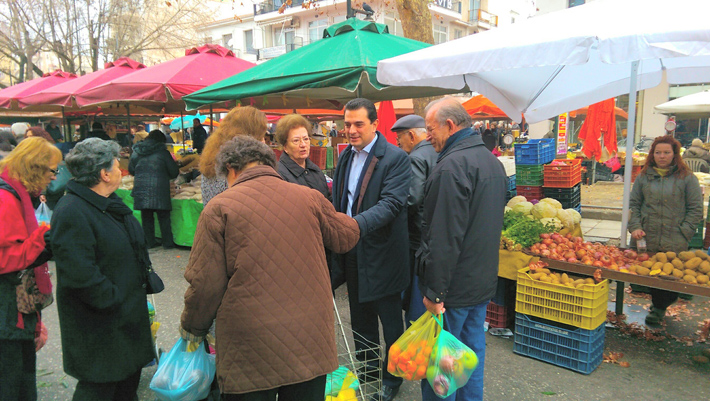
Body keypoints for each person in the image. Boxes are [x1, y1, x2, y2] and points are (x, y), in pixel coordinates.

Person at [180, 136, 359, 400]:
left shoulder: (219, 208)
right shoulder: (309, 197)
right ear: (267, 161)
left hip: (250, 344)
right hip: (310, 337)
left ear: (230, 168)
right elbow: (346, 237)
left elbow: (205, 283)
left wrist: (193, 327)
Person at [50, 138, 154, 400]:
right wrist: (114, 300)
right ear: (104, 174)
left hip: (124, 319)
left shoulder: (108, 204)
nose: (122, 171)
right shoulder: (73, 210)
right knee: (100, 388)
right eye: (118, 166)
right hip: (101, 326)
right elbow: (79, 272)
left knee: (125, 386)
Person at [419, 97, 507, 401]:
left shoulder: (452, 166)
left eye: (431, 129)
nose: (427, 136)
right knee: (470, 359)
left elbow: (444, 238)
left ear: (450, 125)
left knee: (443, 368)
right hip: (480, 284)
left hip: (453, 289)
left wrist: (435, 293)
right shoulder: (492, 162)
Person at [331, 98, 411, 401]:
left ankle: (393, 378)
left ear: (375, 125)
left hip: (384, 255)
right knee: (360, 317)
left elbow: (391, 204)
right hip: (353, 252)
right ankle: (368, 372)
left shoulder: (395, 158)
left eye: (358, 124)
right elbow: (341, 199)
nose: (351, 130)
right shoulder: (345, 157)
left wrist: (353, 226)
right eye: (347, 124)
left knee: (390, 322)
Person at [0, 137, 61, 401]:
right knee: (13, 381)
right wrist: (42, 237)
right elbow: (7, 259)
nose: (53, 177)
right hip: (7, 307)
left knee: (21, 377)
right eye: (51, 170)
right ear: (35, 168)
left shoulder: (15, 194)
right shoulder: (6, 198)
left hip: (16, 306)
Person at [629, 135, 703, 325]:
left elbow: (695, 209)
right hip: (648, 236)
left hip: (674, 237)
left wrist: (684, 231)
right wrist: (635, 226)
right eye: (658, 152)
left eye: (666, 152)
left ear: (674, 154)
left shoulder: (687, 178)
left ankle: (659, 308)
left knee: (669, 278)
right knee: (648, 274)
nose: (662, 156)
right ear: (652, 154)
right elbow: (635, 204)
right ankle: (657, 305)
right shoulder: (644, 177)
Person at [391, 114, 438, 323]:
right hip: (435, 233)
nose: (398, 144)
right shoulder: (438, 152)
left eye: (399, 139)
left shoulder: (416, 158)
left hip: (417, 235)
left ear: (411, 135)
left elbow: (412, 198)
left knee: (416, 293)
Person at [199, 106, 267, 205]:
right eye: (261, 137)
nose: (264, 142)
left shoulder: (215, 152)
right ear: (249, 135)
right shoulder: (236, 163)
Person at [129, 130, 179, 249]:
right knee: (164, 217)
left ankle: (150, 242)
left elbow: (131, 170)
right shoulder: (163, 153)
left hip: (141, 188)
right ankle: (167, 243)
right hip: (160, 188)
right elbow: (174, 172)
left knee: (146, 217)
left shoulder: (136, 152)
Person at [275, 114, 329, 200]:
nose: (303, 144)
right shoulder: (279, 175)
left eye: (306, 139)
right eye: (296, 140)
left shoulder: (316, 171)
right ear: (285, 147)